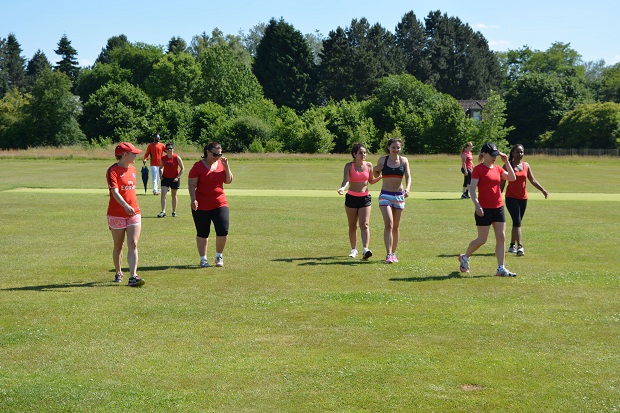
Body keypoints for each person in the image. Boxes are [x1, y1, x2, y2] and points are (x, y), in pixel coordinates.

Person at [458, 142, 517, 277]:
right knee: (482, 239)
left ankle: (501, 268)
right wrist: (477, 205)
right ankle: (465, 257)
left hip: (498, 207)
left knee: (501, 237)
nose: (494, 157)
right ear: (484, 154)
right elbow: (472, 189)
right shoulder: (478, 169)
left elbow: (512, 178)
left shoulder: (498, 168)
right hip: (483, 209)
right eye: (492, 155)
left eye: (496, 155)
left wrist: (507, 161)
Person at [106, 142, 145, 287]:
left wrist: (130, 207)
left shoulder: (134, 169)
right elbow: (114, 192)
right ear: (124, 154)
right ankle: (118, 271)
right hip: (116, 214)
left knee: (133, 244)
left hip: (134, 212)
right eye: (133, 153)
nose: (136, 155)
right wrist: (125, 205)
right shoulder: (112, 171)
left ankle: (133, 276)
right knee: (118, 246)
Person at [188, 142, 233, 268]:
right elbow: (191, 184)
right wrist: (193, 199)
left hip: (220, 203)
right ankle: (203, 259)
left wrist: (227, 166)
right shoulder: (198, 166)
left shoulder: (221, 164)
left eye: (220, 154)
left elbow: (228, 181)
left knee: (223, 231)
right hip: (201, 205)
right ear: (207, 152)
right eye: (215, 154)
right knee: (203, 232)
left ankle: (219, 256)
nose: (217, 157)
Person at [500, 144, 549, 256]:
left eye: (522, 152)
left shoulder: (526, 165)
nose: (520, 154)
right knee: (517, 221)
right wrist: (497, 195)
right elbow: (502, 184)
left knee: (517, 222)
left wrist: (543, 190)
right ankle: (520, 246)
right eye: (518, 152)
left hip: (523, 198)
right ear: (512, 153)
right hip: (511, 197)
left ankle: (512, 245)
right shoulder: (507, 165)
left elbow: (532, 180)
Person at [337, 143, 382, 260]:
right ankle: (353, 249)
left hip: (365, 198)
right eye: (361, 153)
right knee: (352, 225)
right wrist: (342, 188)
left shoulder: (369, 165)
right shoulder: (349, 166)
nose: (363, 155)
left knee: (365, 224)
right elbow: (346, 180)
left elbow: (371, 181)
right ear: (354, 154)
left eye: (365, 152)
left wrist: (381, 177)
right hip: (351, 198)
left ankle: (366, 249)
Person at [373, 138, 411, 264]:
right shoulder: (383, 160)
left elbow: (408, 177)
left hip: (399, 196)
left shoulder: (404, 160)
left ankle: (394, 253)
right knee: (388, 224)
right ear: (388, 148)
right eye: (393, 147)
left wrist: (408, 188)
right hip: (385, 195)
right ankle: (388, 254)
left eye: (398, 147)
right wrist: (376, 168)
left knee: (395, 226)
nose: (395, 150)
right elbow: (375, 174)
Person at [157, 143, 185, 218]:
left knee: (174, 195)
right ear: (166, 150)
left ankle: (174, 211)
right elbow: (160, 168)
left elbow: (182, 168)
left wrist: (177, 177)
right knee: (163, 194)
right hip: (165, 178)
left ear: (173, 149)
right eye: (168, 148)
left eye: (171, 148)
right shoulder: (163, 158)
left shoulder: (177, 157)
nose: (170, 150)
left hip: (174, 179)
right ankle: (163, 211)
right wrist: (160, 175)